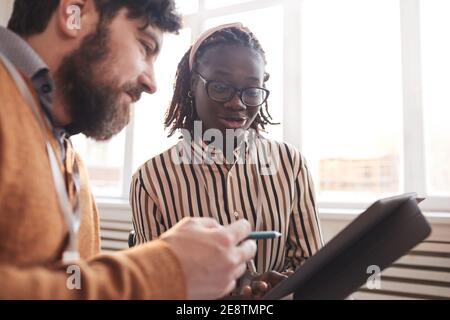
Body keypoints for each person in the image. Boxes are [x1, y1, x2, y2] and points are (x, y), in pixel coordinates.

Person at [0, 0, 257, 300]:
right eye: (145, 46)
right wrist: (163, 271)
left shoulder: (72, 164)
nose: (151, 83)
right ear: (74, 14)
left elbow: (76, 287)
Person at [130, 23, 324, 298]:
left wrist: (281, 287)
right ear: (192, 86)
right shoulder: (151, 179)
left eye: (252, 90)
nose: (237, 103)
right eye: (220, 87)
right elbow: (152, 288)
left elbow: (313, 266)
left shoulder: (291, 164)